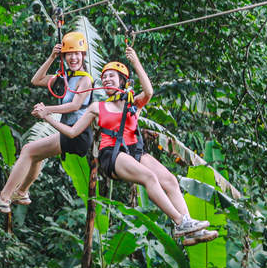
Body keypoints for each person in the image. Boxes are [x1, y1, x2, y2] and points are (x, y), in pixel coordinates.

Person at [33, 47, 218, 245]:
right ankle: (180, 222)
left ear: (123, 81)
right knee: (149, 177)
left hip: (135, 152)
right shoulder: (97, 107)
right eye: (104, 78)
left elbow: (149, 91)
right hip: (112, 155)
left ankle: (190, 230)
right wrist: (47, 117)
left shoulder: (133, 103)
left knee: (170, 180)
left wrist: (135, 61)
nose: (106, 80)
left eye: (111, 76)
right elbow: (71, 132)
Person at [0, 31, 95, 211]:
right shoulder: (66, 77)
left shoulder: (85, 80)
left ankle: (4, 197)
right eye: (69, 54)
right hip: (69, 131)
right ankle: (22, 192)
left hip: (77, 133)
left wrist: (47, 110)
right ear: (64, 56)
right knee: (36, 156)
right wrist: (51, 57)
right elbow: (36, 80)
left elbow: (74, 105)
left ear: (83, 55)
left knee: (28, 150)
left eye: (77, 53)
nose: (73, 58)